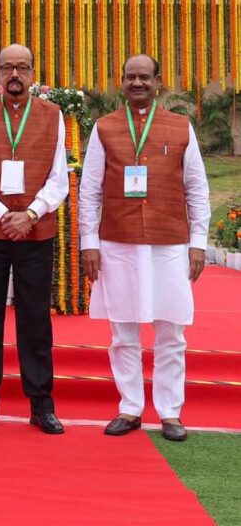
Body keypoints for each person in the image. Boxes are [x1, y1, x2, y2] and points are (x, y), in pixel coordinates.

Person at [79, 54, 210, 442]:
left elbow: (197, 189)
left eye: (144, 77)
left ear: (158, 82)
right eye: (130, 77)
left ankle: (170, 411)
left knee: (172, 332)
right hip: (118, 244)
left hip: (169, 244)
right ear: (121, 82)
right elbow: (89, 191)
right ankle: (130, 407)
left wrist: (198, 243)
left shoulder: (180, 126)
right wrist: (89, 243)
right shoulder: (104, 127)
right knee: (123, 332)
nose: (137, 83)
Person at [0, 44, 69, 434]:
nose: (15, 75)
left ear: (33, 73)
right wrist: (2, 214)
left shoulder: (52, 115)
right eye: (7, 67)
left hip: (35, 232)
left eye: (22, 67)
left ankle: (41, 405)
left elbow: (59, 177)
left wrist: (31, 214)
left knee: (35, 320)